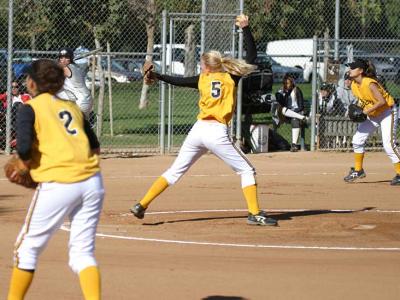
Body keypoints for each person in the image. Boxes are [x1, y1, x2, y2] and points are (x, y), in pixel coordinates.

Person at [130, 15, 277, 226]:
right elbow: (252, 57)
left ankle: (141, 204)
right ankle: (254, 213)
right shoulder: (230, 77)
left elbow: (178, 81)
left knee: (174, 172)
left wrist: (157, 76)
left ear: (207, 67)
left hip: (198, 131)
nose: (200, 67)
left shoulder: (203, 79)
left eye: (202, 64)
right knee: (247, 170)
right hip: (217, 132)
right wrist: (245, 28)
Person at [7, 59, 104, 299]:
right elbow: (95, 148)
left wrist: (24, 166)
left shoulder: (30, 108)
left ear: (31, 83)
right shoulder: (71, 107)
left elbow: (25, 149)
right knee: (82, 253)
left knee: (26, 249)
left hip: (59, 183)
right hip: (93, 181)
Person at [343, 59, 400, 185]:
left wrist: (365, 113)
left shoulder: (369, 83)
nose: (350, 70)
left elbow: (382, 102)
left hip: (387, 112)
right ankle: (358, 170)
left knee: (388, 144)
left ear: (361, 71)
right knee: (357, 139)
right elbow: (363, 100)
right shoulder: (353, 85)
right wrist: (357, 110)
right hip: (374, 113)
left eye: (353, 68)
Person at [56, 47, 93, 119]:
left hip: (81, 101)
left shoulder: (67, 68)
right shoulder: (75, 66)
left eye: (66, 57)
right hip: (84, 99)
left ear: (71, 58)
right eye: (61, 57)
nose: (63, 60)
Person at [275, 74, 308, 152]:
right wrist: (282, 94)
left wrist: (293, 112)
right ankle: (304, 118)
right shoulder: (284, 91)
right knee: (283, 110)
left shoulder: (297, 90)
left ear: (292, 83)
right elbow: (280, 102)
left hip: (297, 113)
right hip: (286, 115)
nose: (287, 85)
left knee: (294, 120)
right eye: (285, 83)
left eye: (288, 83)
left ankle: (294, 145)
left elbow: (301, 106)